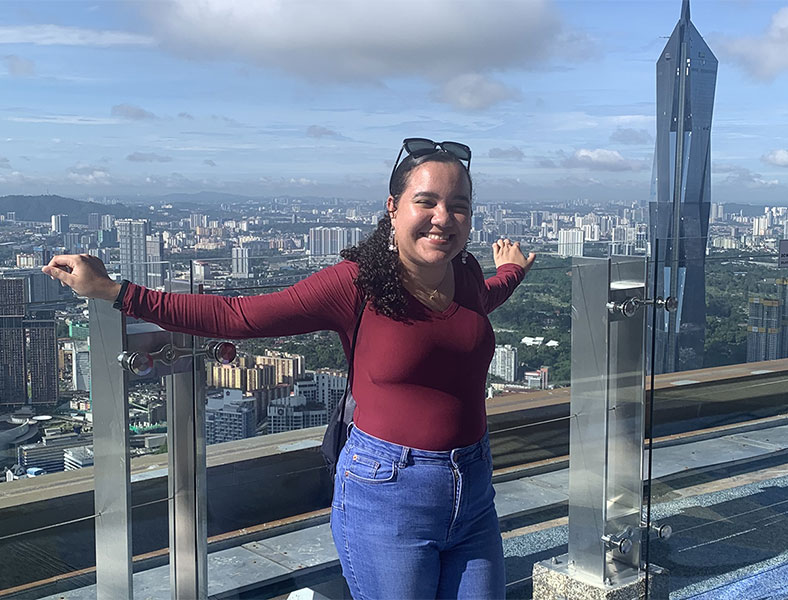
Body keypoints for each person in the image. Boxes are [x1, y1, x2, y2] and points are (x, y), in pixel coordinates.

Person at [43, 137, 536, 600]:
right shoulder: (355, 284)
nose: (442, 218)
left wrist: (512, 270)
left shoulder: (467, 274)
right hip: (388, 491)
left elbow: (481, 304)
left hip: (472, 487)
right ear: (393, 208)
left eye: (459, 207)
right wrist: (116, 292)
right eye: (426, 202)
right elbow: (239, 317)